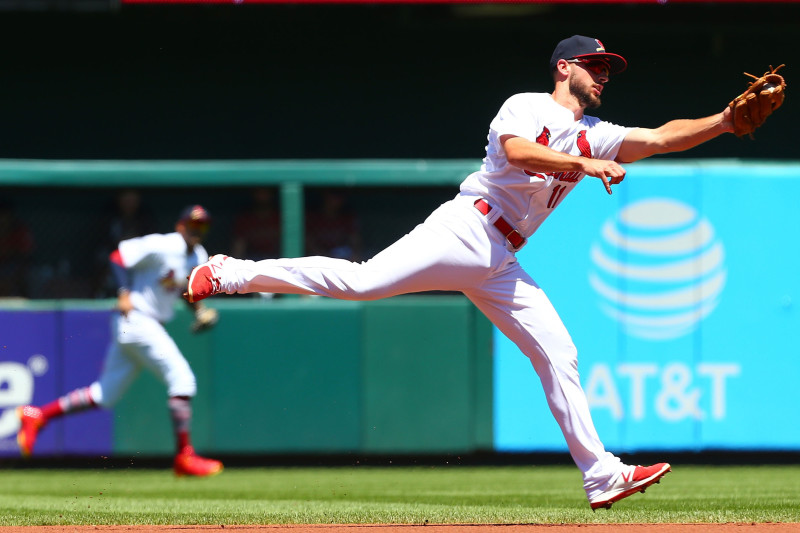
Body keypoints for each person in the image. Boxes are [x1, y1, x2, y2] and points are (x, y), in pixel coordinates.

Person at [183, 36, 753, 507]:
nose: (604, 75)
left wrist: (725, 121)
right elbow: (520, 152)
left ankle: (601, 473)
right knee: (362, 283)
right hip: (466, 227)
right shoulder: (528, 105)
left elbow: (657, 137)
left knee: (558, 353)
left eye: (608, 68)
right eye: (595, 65)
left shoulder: (593, 133)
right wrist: (582, 162)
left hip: (501, 260)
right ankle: (233, 271)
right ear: (565, 67)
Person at [17, 205, 223, 477]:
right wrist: (124, 291)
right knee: (182, 379)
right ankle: (185, 456)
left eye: (203, 227)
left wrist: (198, 311)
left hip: (142, 324)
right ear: (180, 225)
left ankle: (38, 415)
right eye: (192, 225)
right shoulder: (162, 244)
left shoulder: (198, 255)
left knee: (105, 394)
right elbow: (118, 256)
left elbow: (183, 289)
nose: (197, 231)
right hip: (137, 318)